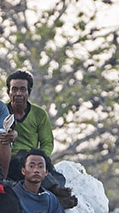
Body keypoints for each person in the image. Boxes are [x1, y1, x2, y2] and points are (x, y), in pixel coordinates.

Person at [5, 70, 76, 205]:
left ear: (28, 92)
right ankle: (55, 191)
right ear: (8, 92)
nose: (18, 94)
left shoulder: (39, 114)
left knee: (54, 173)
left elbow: (47, 142)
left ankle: (57, 194)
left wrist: (41, 158)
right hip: (10, 159)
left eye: (22, 89)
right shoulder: (2, 111)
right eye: (14, 89)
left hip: (33, 156)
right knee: (23, 161)